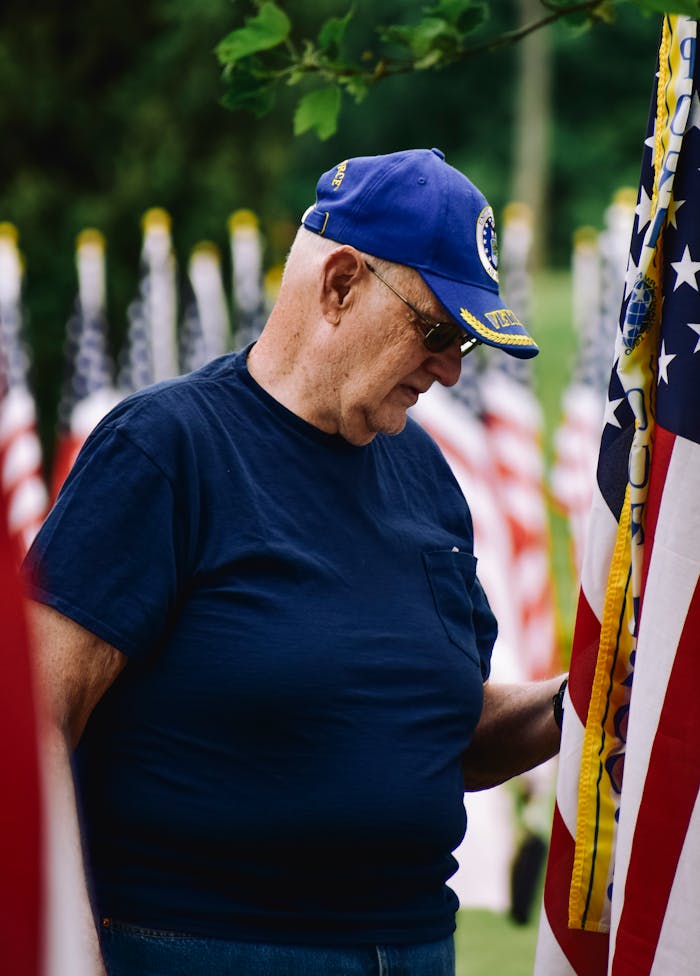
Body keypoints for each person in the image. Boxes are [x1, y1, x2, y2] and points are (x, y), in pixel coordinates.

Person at [24, 148, 566, 976]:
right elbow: (34, 722)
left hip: (417, 946)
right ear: (339, 283)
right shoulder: (166, 452)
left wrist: (578, 704)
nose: (452, 369)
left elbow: (429, 731)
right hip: (202, 947)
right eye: (436, 330)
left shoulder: (426, 474)